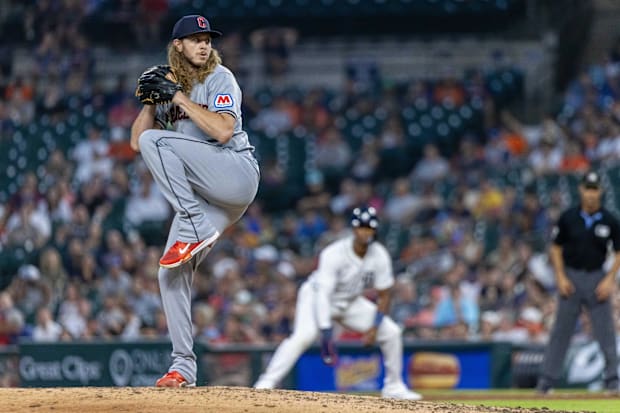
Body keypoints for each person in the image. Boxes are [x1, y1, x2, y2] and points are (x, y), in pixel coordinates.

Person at [130, 14, 260, 387]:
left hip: (235, 173)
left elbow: (222, 131)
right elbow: (136, 142)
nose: (204, 44)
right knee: (169, 274)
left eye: (207, 38)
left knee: (160, 141)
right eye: (194, 38)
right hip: (208, 197)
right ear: (178, 46)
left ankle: (194, 224)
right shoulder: (171, 86)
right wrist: (151, 103)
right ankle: (183, 368)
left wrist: (179, 98)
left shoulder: (221, 78)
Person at [254, 206, 422, 400]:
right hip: (316, 296)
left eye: (368, 228)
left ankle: (394, 386)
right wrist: (326, 334)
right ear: (353, 229)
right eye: (361, 227)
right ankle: (266, 382)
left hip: (350, 301)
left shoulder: (379, 255)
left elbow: (384, 294)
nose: (364, 232)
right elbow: (324, 295)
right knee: (303, 336)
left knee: (391, 332)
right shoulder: (334, 253)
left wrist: (374, 328)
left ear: (374, 230)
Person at [536, 171, 620, 394]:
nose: (591, 194)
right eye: (588, 189)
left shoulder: (610, 220)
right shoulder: (569, 217)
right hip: (571, 278)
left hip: (596, 278)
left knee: (606, 331)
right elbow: (555, 248)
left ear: (600, 191)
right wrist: (561, 276)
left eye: (595, 189)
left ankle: (612, 380)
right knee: (561, 331)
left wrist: (610, 279)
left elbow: (619, 252)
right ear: (581, 190)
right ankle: (547, 381)